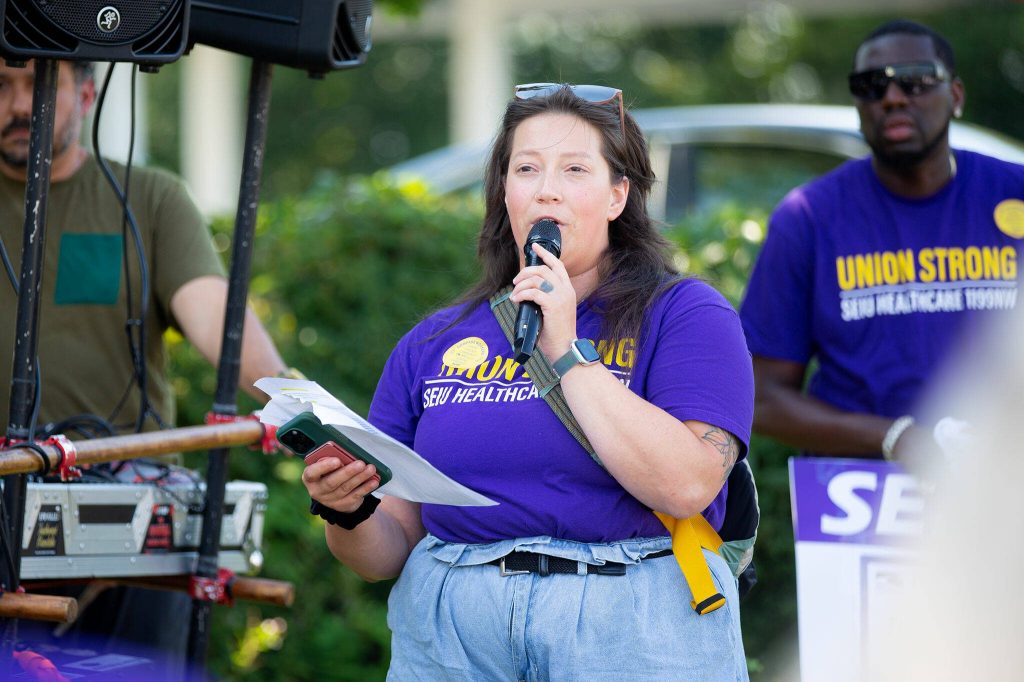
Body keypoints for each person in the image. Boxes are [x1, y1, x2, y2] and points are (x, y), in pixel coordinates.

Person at [301, 83, 754, 680]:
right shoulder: (433, 341)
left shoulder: (687, 315)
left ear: (618, 195)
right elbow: (385, 552)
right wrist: (347, 510)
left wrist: (565, 352)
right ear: (505, 192)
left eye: (574, 169)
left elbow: (688, 485)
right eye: (526, 168)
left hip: (629, 631)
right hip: (455, 640)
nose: (546, 188)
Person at [0, 59, 288, 669]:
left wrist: (290, 399)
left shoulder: (150, 199)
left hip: (135, 517)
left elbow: (216, 319)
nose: (21, 105)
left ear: (86, 92)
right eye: (1, 86)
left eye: (40, 85)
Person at [739, 19, 1024, 462]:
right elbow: (762, 398)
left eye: (916, 80)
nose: (892, 97)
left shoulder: (1013, 193)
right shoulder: (809, 217)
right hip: (863, 496)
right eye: (871, 85)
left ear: (956, 96)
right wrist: (894, 438)